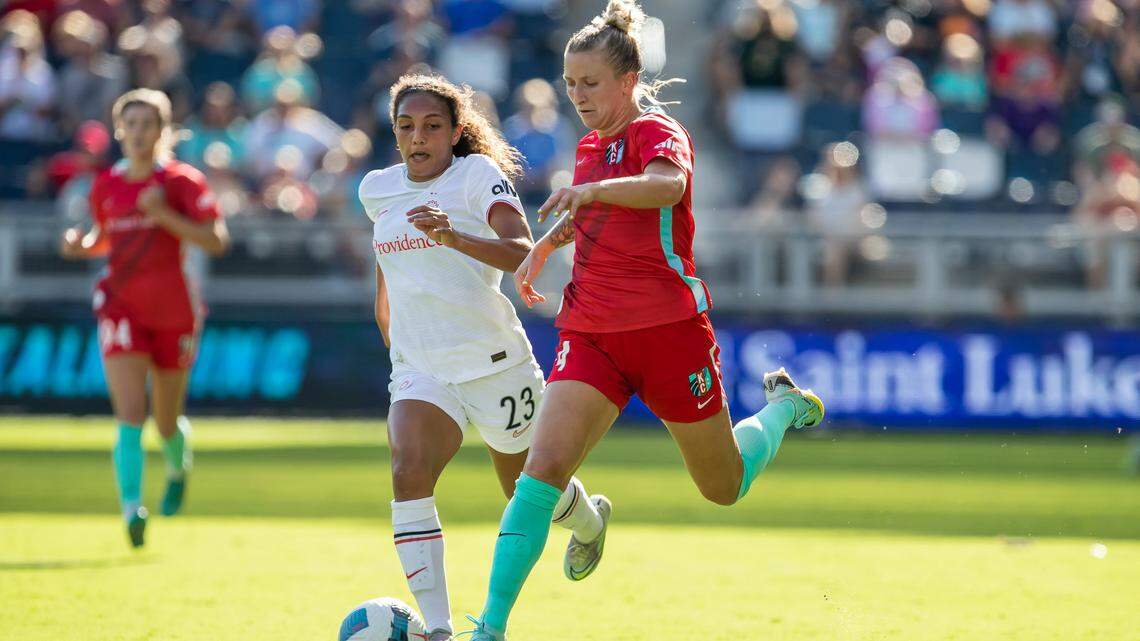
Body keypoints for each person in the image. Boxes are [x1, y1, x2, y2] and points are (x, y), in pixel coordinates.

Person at [463, 2, 824, 639]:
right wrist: (549, 244)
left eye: (590, 83)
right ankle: (488, 628)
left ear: (628, 81)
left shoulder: (658, 133)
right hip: (592, 331)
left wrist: (592, 193)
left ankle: (780, 409)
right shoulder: (587, 147)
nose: (577, 95)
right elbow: (592, 215)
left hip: (669, 333)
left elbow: (665, 189)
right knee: (540, 472)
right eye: (571, 83)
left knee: (723, 486)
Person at [357, 73, 610, 641]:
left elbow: (522, 250)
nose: (418, 137)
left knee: (525, 487)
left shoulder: (476, 176)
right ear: (394, 133)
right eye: (406, 127)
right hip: (422, 367)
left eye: (432, 126)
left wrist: (453, 237)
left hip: (494, 362)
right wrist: (392, 335)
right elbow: (388, 272)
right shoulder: (377, 188)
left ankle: (590, 521)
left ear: (455, 132)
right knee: (407, 469)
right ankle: (441, 630)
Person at [58, 89, 231, 548]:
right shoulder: (105, 185)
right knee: (130, 415)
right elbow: (105, 238)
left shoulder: (181, 181)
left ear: (162, 131)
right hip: (120, 307)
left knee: (165, 422)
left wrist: (162, 214)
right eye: (129, 124)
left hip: (175, 312)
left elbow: (215, 241)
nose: (137, 133)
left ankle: (178, 466)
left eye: (147, 124)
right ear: (118, 131)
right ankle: (132, 507)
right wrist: (82, 244)